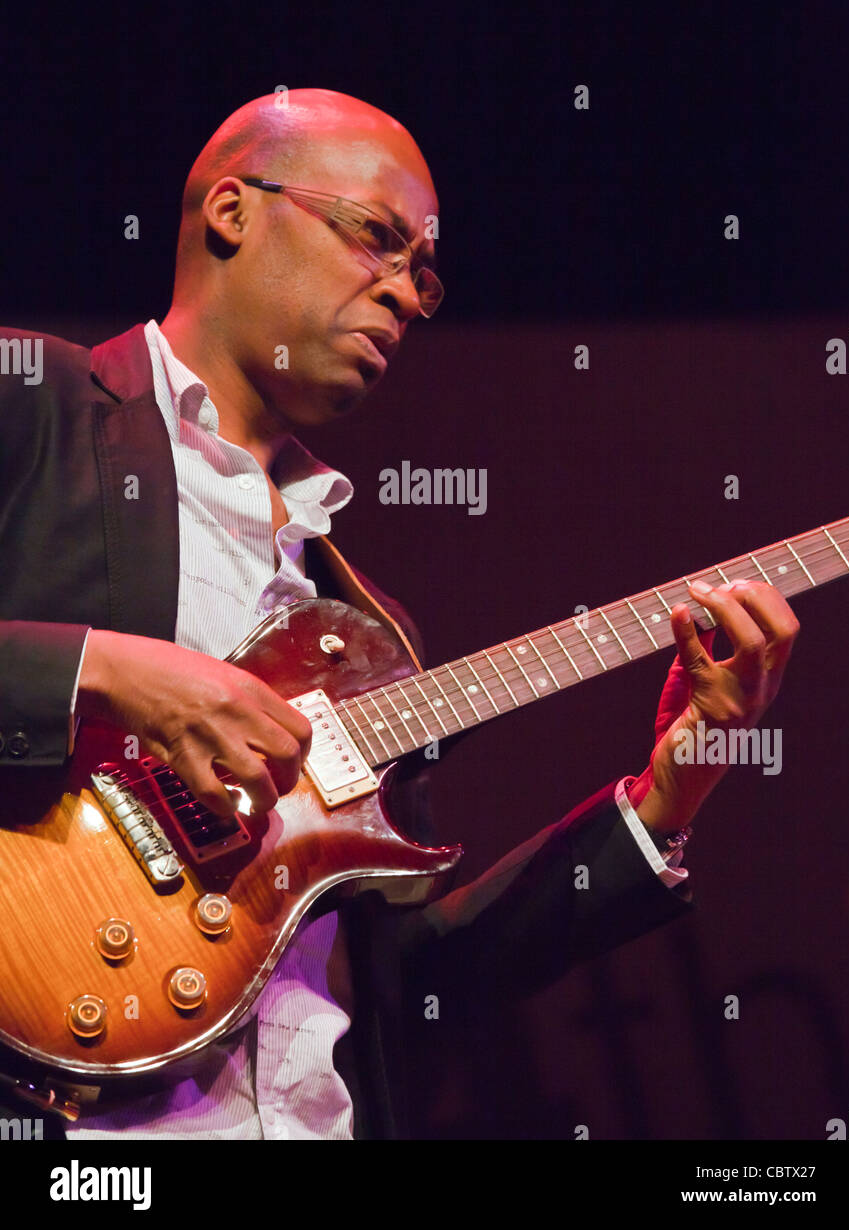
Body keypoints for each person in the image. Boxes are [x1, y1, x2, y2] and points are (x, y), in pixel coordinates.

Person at [0, 89, 799, 1140]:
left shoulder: (366, 623)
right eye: (377, 238)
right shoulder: (38, 405)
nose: (405, 295)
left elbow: (412, 981)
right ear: (234, 212)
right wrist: (112, 671)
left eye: (421, 275)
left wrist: (668, 791)